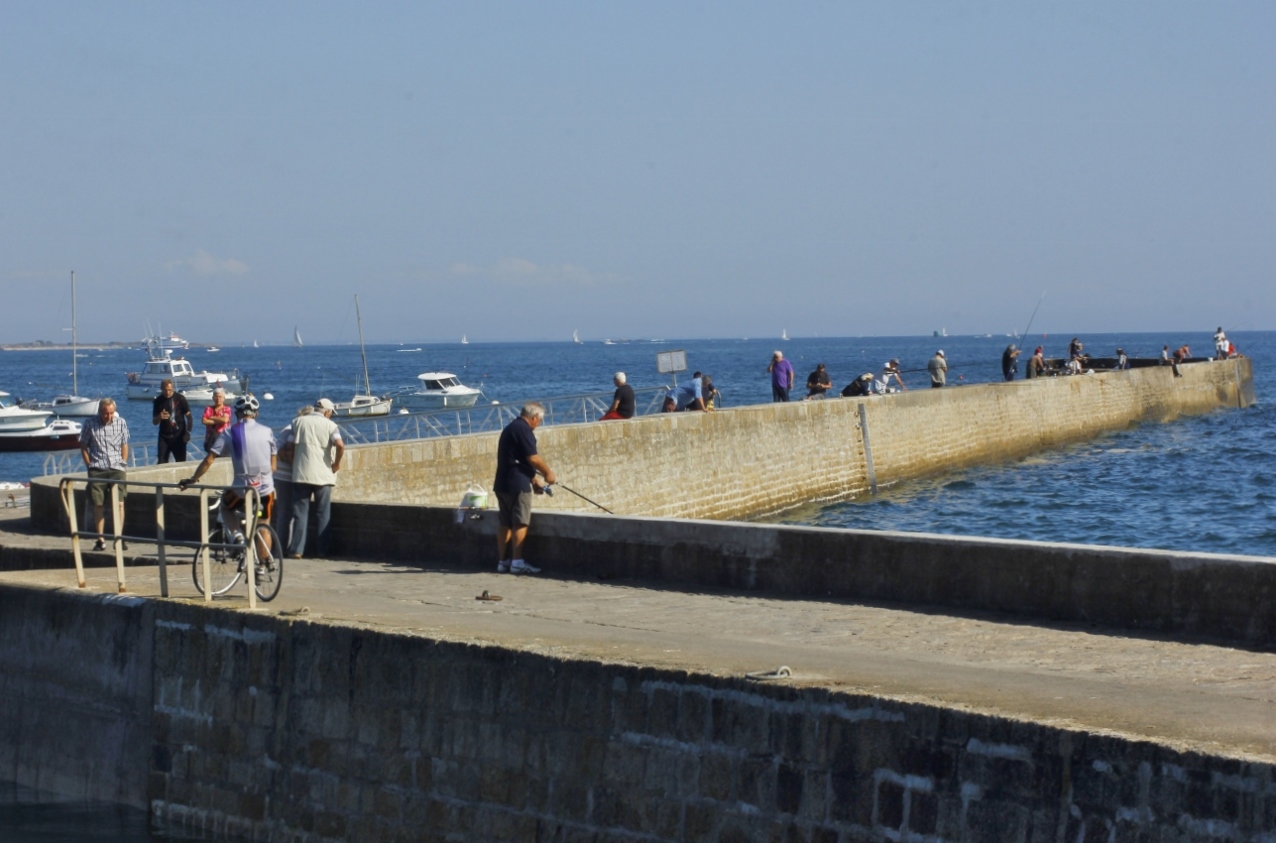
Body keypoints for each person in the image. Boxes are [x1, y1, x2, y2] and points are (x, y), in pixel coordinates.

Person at [179, 394, 278, 545]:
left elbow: (209, 459)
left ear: (237, 413)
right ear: (256, 414)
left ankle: (237, 535)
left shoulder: (228, 432)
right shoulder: (268, 431)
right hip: (264, 490)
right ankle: (263, 566)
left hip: (241, 490)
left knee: (226, 508)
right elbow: (273, 467)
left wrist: (193, 479)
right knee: (263, 525)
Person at [494, 402, 556, 575]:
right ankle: (517, 562)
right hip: (517, 485)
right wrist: (548, 474)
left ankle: (502, 562)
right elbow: (533, 458)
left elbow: (517, 460)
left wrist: (534, 479)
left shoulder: (510, 428)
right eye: (539, 421)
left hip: (502, 482)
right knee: (520, 521)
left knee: (504, 523)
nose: (538, 425)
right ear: (534, 417)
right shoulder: (524, 430)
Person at [287, 397, 344, 559]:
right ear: (326, 412)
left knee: (300, 513)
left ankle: (297, 550)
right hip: (323, 476)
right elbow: (340, 445)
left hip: (301, 474)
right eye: (331, 413)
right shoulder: (331, 426)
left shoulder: (297, 422)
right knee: (322, 514)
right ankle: (322, 550)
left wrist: (295, 462)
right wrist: (337, 464)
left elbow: (289, 447)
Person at [79, 398, 129, 552]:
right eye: (106, 413)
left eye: (111, 413)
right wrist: (89, 466)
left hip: (116, 468)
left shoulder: (121, 423)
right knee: (98, 503)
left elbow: (124, 444)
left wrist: (123, 463)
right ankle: (100, 539)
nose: (109, 416)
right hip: (97, 468)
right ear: (100, 412)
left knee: (119, 503)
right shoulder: (90, 424)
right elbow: (83, 446)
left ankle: (118, 538)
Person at [272, 405, 312, 548]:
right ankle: (281, 547)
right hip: (285, 475)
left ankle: (284, 546)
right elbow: (276, 450)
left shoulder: (292, 429)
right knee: (285, 512)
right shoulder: (292, 429)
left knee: (288, 512)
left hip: (287, 475)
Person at [152, 379, 193, 463]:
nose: (167, 392)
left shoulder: (180, 399)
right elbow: (154, 422)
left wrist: (188, 432)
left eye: (170, 390)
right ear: (161, 389)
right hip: (164, 436)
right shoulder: (158, 401)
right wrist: (159, 417)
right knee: (161, 461)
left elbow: (189, 418)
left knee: (181, 462)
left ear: (173, 388)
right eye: (165, 390)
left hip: (178, 435)